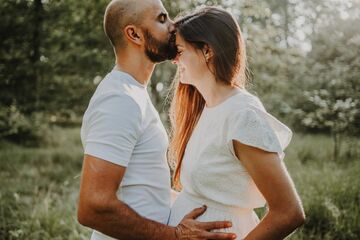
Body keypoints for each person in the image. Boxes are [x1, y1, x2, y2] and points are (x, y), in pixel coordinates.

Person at [77, 0, 237, 240]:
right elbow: (92, 207)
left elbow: (146, 189)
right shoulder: (119, 100)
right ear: (134, 34)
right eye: (162, 19)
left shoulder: (134, 93)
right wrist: (174, 236)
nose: (174, 27)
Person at [168, 6, 306, 239]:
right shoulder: (207, 109)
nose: (174, 60)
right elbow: (200, 195)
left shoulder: (243, 115)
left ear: (207, 50)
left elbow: (289, 212)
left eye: (180, 51)